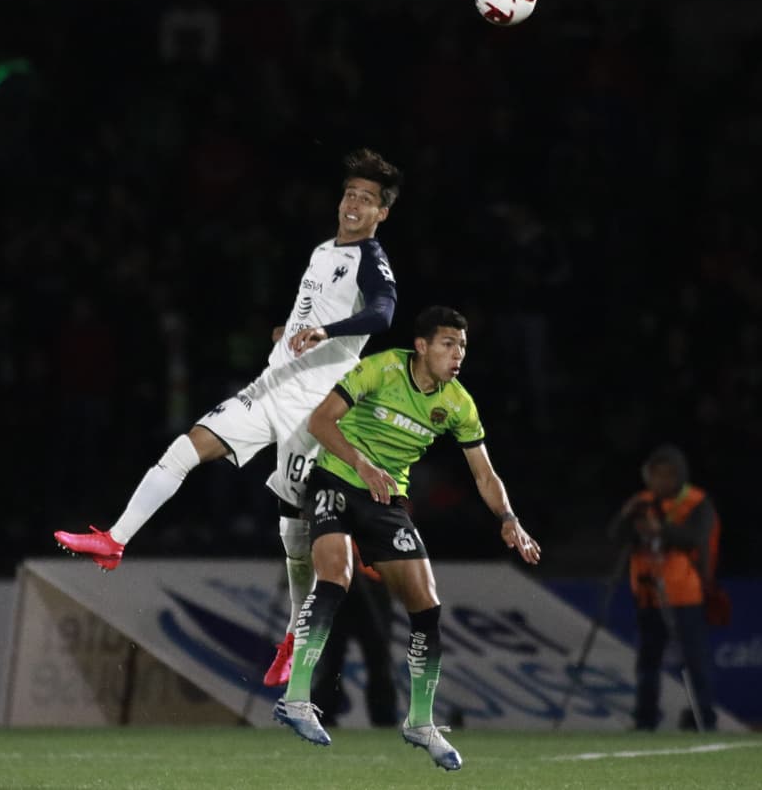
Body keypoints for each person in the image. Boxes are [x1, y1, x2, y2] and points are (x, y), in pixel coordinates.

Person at [54, 148, 402, 687]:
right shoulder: (321, 251)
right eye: (350, 193)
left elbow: (383, 313)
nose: (354, 204)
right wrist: (287, 336)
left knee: (293, 534)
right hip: (271, 387)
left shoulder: (372, 259)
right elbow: (308, 317)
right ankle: (116, 540)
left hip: (312, 410)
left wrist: (327, 336)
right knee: (187, 444)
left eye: (367, 199)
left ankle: (294, 637)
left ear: (381, 213)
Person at [272, 306, 541, 770]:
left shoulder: (458, 402)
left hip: (385, 498)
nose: (457, 354)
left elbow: (484, 472)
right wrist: (361, 464)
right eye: (447, 344)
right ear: (421, 346)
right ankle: (296, 699)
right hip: (336, 478)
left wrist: (508, 517)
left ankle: (420, 722)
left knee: (427, 604)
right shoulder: (382, 368)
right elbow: (321, 422)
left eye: (462, 346)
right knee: (336, 576)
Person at [609, 444, 720, 731]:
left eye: (668, 475)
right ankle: (644, 718)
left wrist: (662, 531)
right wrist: (626, 517)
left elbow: (695, 538)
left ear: (680, 476)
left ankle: (702, 716)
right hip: (648, 595)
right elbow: (616, 537)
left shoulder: (696, 502)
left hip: (684, 594)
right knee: (648, 661)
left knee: (693, 659)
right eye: (656, 475)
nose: (662, 482)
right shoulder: (642, 502)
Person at [309, 546, 398, 728]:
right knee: (330, 660)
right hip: (334, 579)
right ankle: (323, 717)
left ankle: (384, 720)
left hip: (371, 580)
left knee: (378, 658)